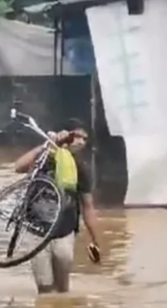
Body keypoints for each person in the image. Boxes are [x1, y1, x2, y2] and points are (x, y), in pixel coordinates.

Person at [13, 118, 102, 294]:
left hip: (64, 230)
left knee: (62, 288)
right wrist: (49, 144)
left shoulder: (80, 168)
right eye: (78, 137)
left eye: (85, 139)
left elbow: (88, 206)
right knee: (45, 288)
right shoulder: (45, 156)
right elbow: (19, 166)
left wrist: (95, 239)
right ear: (66, 136)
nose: (81, 142)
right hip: (36, 228)